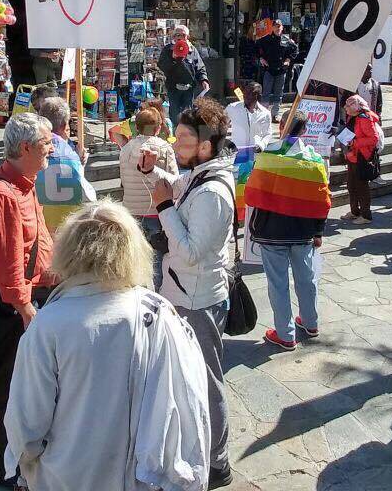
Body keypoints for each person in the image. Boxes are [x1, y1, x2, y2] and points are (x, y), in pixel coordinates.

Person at [4, 201, 211, 491]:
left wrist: (25, 464)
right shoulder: (160, 313)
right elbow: (191, 400)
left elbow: (25, 424)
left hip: (66, 477)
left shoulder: (48, 324)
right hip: (141, 479)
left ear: (67, 251)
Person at [138, 97, 236, 488]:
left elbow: (192, 251)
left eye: (183, 138)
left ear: (206, 145)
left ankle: (218, 463)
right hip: (183, 292)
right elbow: (175, 185)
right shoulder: (198, 175)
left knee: (207, 382)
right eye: (175, 135)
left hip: (198, 299)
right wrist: (152, 172)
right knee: (186, 380)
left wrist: (162, 205)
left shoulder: (213, 192)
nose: (175, 142)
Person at [0, 112, 57, 487]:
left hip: (29, 298)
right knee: (2, 389)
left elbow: (34, 245)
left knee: (23, 388)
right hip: (9, 310)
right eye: (46, 144)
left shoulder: (25, 182)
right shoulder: (2, 194)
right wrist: (25, 309)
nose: (52, 150)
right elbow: (8, 263)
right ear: (25, 148)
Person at [251, 110, 329, 350]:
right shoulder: (315, 160)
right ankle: (310, 321)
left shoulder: (268, 155)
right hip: (303, 231)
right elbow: (323, 201)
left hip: (272, 231)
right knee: (306, 279)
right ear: (305, 130)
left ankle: (285, 334)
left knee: (278, 284)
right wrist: (318, 231)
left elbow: (254, 192)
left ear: (281, 125)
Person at [34, 97, 97, 234]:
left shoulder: (31, 149)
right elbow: (88, 196)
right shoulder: (69, 154)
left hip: (39, 224)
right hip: (66, 228)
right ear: (64, 125)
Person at [119, 107, 178, 238]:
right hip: (157, 210)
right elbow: (175, 181)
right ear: (158, 128)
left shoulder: (125, 149)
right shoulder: (165, 148)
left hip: (130, 210)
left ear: (137, 128)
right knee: (157, 253)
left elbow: (123, 179)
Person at [341, 93, 382, 225]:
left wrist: (354, 143)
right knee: (351, 185)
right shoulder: (353, 117)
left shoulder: (364, 118)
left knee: (361, 186)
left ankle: (366, 215)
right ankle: (354, 211)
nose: (345, 107)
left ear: (356, 106)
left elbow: (373, 139)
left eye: (348, 105)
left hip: (362, 156)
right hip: (352, 156)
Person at [158, 25, 210, 125]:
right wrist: (173, 59)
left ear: (187, 37)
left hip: (188, 89)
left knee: (188, 114)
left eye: (183, 35)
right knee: (175, 114)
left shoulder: (192, 50)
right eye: (177, 35)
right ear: (173, 37)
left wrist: (204, 80)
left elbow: (200, 66)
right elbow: (162, 66)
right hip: (174, 88)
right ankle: (175, 136)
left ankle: (186, 135)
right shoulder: (168, 50)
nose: (179, 37)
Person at [256, 19, 298, 118]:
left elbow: (295, 49)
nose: (277, 28)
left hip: (281, 70)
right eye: (275, 26)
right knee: (266, 93)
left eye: (279, 26)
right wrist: (261, 58)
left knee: (278, 94)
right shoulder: (266, 39)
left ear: (282, 28)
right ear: (272, 27)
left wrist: (288, 59)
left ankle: (275, 115)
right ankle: (264, 115)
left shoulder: (286, 39)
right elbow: (255, 47)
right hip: (269, 69)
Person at [225, 79, 272, 149]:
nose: (246, 95)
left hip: (255, 153)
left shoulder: (265, 113)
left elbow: (267, 134)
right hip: (236, 151)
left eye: (250, 93)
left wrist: (261, 146)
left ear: (258, 96)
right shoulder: (232, 108)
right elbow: (221, 125)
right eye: (245, 92)